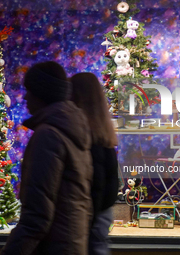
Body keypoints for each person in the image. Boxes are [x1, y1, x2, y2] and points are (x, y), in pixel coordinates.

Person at [1, 62, 93, 255]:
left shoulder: (49, 136)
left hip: (53, 247)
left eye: (29, 90)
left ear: (42, 93)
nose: (25, 97)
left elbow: (37, 216)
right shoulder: (74, 131)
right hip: (72, 244)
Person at [71, 73, 119, 255]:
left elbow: (97, 185)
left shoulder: (86, 135)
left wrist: (87, 220)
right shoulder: (103, 132)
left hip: (90, 218)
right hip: (101, 216)